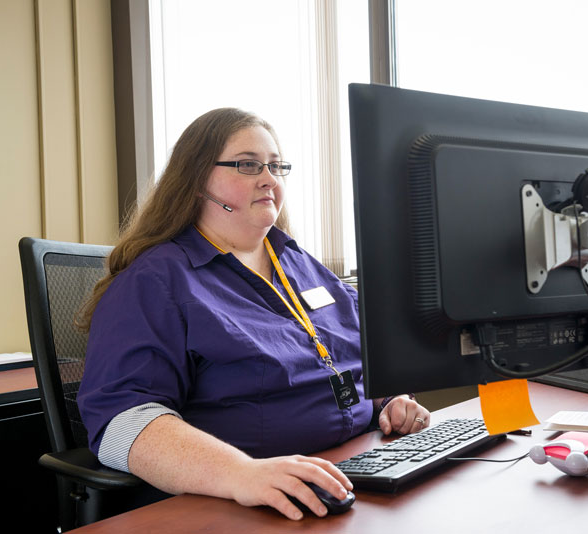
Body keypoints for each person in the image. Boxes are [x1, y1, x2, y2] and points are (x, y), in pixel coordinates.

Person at [77, 108, 431, 520]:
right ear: (195, 181)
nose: (268, 178)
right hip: (239, 501)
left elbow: (357, 354)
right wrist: (242, 473)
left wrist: (389, 400)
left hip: (357, 469)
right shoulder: (155, 281)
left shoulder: (300, 263)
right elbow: (121, 424)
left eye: (276, 166)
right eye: (248, 165)